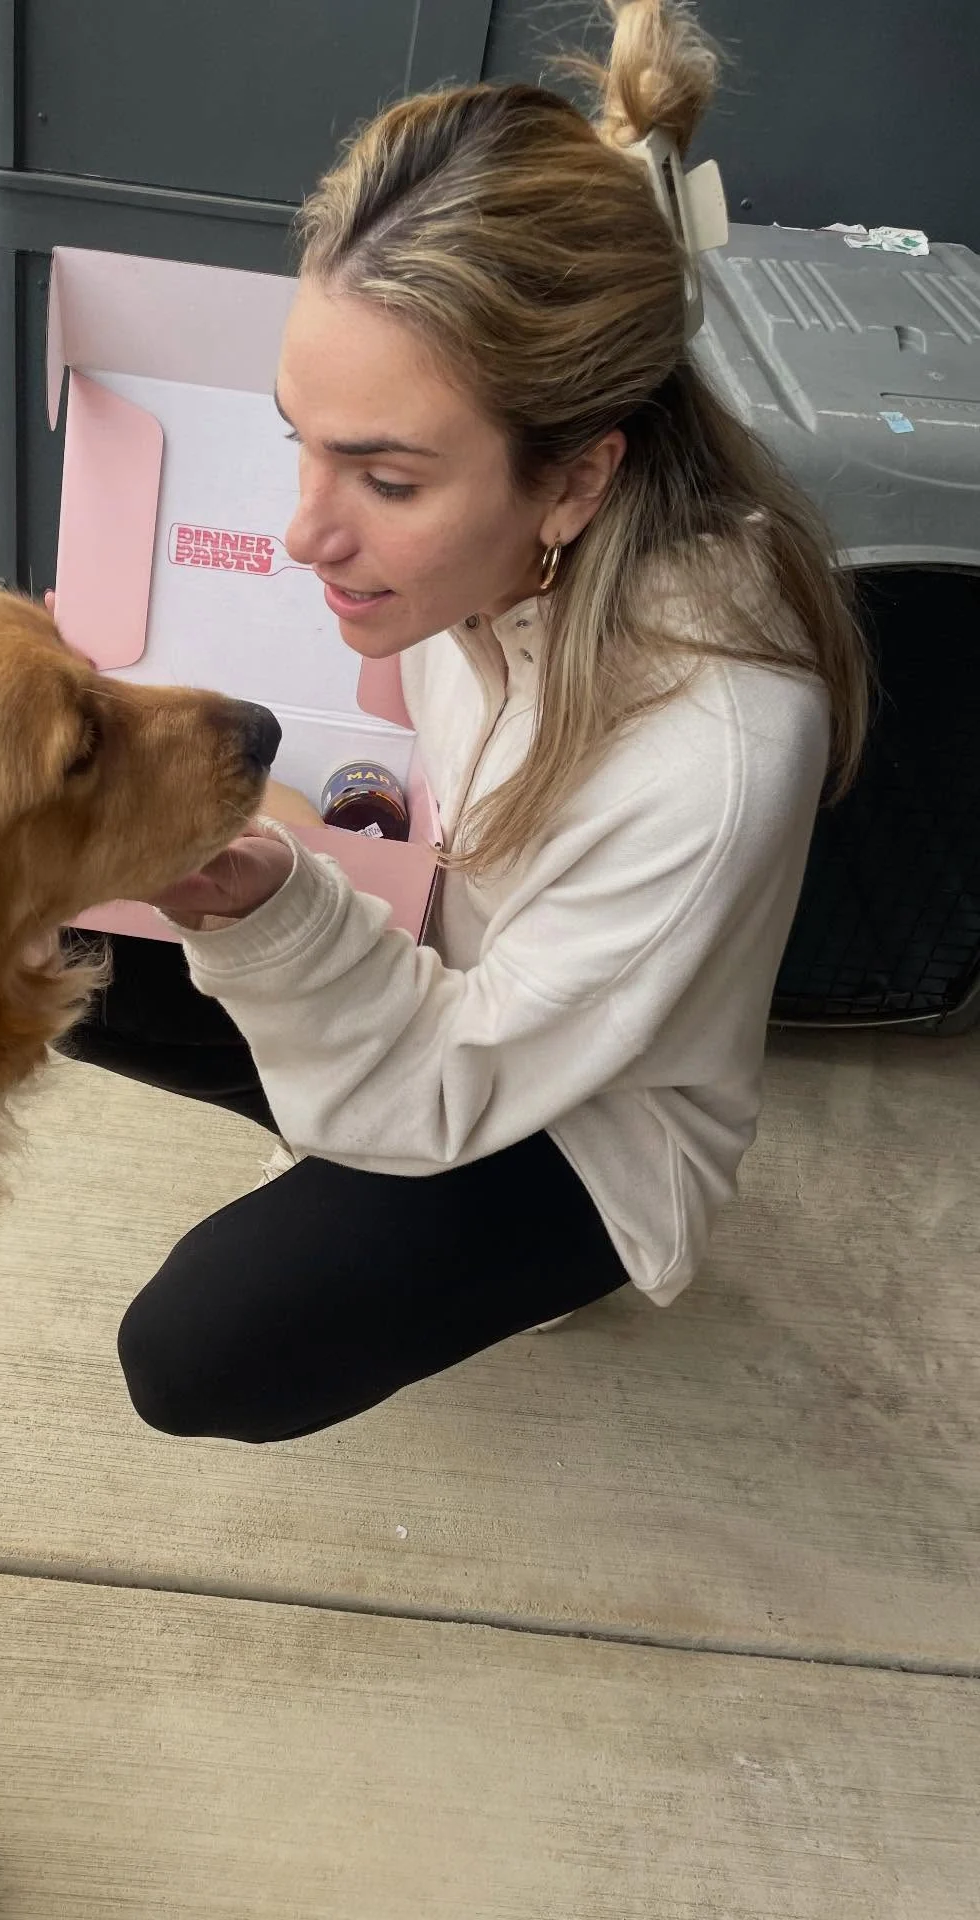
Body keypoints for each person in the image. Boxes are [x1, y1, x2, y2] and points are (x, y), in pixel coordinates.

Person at [60, 0, 870, 1445]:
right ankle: (343, 1149)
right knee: (24, 923)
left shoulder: (714, 743)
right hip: (449, 947)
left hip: (590, 1112)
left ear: (572, 484)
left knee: (202, 1351)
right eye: (299, 439)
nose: (305, 528)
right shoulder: (507, 545)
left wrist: (281, 919)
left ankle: (519, 1259)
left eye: (384, 478)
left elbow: (454, 1068)